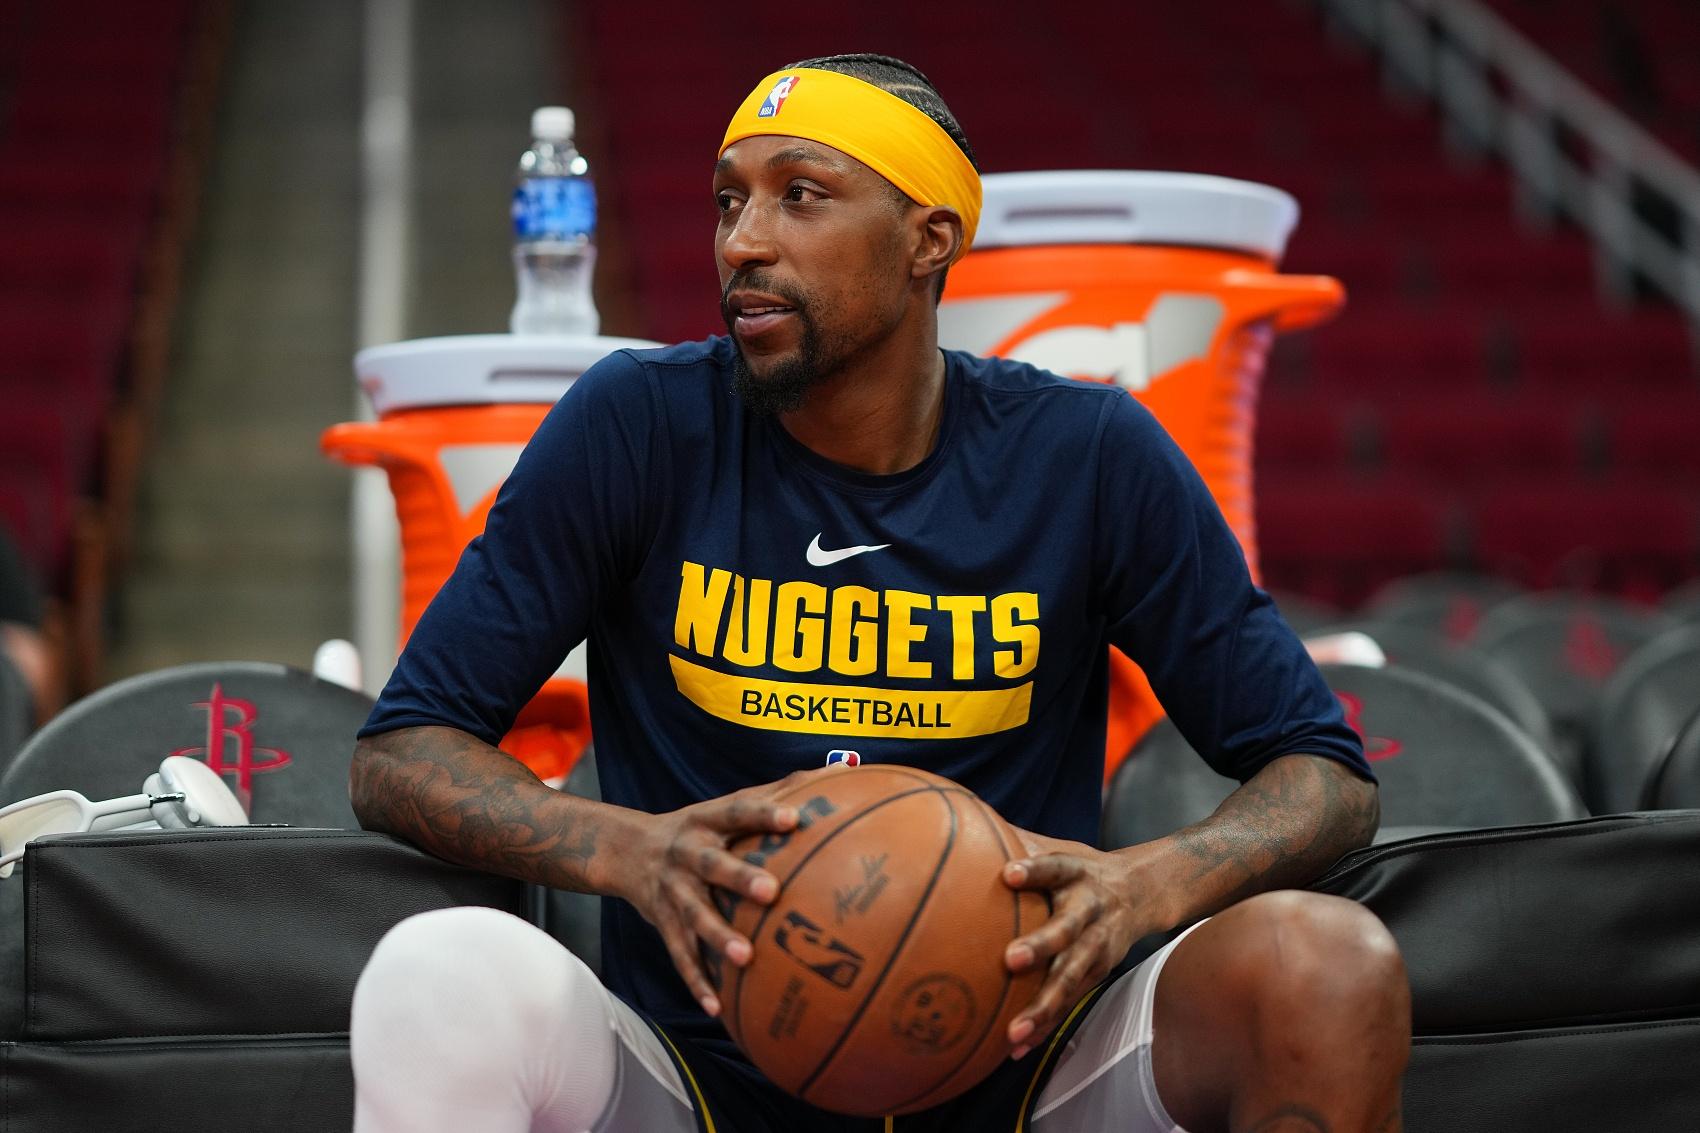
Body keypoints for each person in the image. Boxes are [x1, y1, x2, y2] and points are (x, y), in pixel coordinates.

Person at [348, 53, 1410, 1133]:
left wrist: (1148, 882)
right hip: (694, 1072)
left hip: (1023, 1065)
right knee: (439, 972)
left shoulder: (1086, 454)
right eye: (729, 201)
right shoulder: (637, 425)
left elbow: (1324, 777)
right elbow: (402, 751)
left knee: (1323, 963)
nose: (743, 241)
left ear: (927, 239)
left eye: (800, 195)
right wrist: (627, 848)